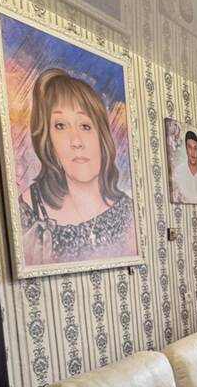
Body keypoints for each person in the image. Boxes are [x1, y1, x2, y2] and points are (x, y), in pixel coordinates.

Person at [19, 68, 136, 265]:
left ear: (102, 137)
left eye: (85, 126)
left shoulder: (128, 212)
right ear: (48, 140)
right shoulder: (30, 209)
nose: (76, 141)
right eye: (60, 126)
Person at [171, 129, 197, 203]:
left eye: (195, 148)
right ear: (186, 149)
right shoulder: (178, 173)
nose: (193, 152)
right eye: (190, 147)